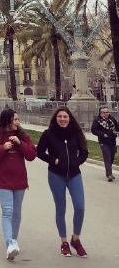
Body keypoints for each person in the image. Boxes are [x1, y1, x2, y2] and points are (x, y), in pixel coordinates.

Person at [0, 109, 36, 260]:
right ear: (7, 120)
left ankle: (12, 243)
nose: (17, 122)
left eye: (18, 120)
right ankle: (10, 243)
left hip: (19, 179)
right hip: (2, 180)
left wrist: (20, 144)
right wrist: (3, 148)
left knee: (17, 213)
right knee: (8, 211)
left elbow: (32, 155)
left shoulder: (22, 135)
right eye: (15, 120)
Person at [37, 107, 88, 257]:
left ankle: (76, 239)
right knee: (61, 208)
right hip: (56, 175)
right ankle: (64, 242)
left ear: (69, 118)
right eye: (59, 116)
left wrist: (76, 162)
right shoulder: (48, 134)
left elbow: (84, 151)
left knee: (80, 207)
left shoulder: (76, 133)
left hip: (74, 175)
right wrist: (53, 160)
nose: (62, 119)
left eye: (65, 116)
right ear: (55, 118)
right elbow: (39, 151)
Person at [91, 105, 118, 181]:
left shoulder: (111, 119)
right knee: (107, 157)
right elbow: (93, 130)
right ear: (100, 113)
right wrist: (103, 134)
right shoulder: (97, 120)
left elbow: (117, 126)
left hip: (112, 141)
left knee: (112, 158)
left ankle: (110, 172)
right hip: (103, 142)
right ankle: (109, 174)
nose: (106, 114)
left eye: (107, 112)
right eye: (104, 112)